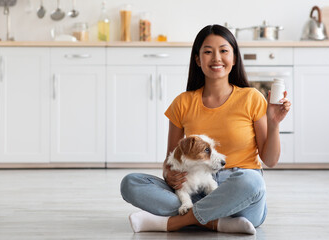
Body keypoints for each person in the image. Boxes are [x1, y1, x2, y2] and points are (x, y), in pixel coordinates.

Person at [120, 24, 291, 234]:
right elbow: (172, 160)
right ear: (198, 59)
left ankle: (178, 221)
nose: (216, 58)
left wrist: (273, 123)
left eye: (224, 50)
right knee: (131, 183)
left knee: (252, 181)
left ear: (234, 58)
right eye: (208, 52)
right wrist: (168, 174)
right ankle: (217, 222)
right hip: (194, 187)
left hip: (238, 190)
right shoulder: (183, 103)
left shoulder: (251, 97)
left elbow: (270, 160)